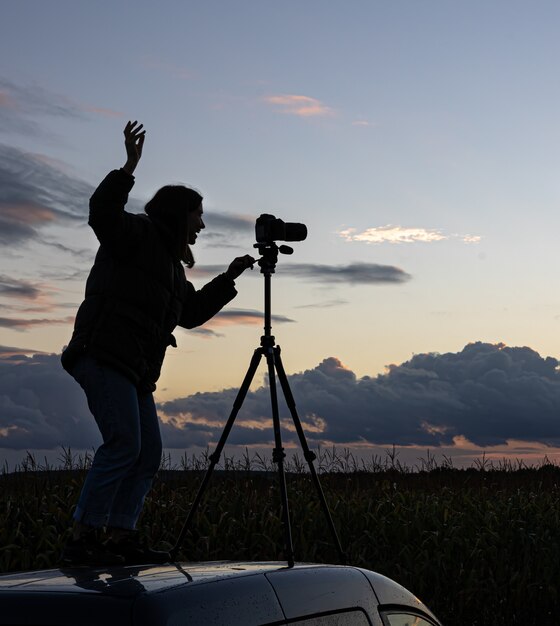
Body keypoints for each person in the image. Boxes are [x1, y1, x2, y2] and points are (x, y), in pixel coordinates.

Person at [60, 121, 255, 566]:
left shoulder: (172, 267)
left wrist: (229, 278)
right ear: (178, 213)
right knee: (124, 443)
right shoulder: (137, 235)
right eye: (197, 214)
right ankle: (83, 537)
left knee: (147, 454)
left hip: (134, 370)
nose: (202, 223)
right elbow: (101, 212)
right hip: (103, 354)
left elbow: (188, 315)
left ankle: (119, 537)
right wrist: (129, 167)